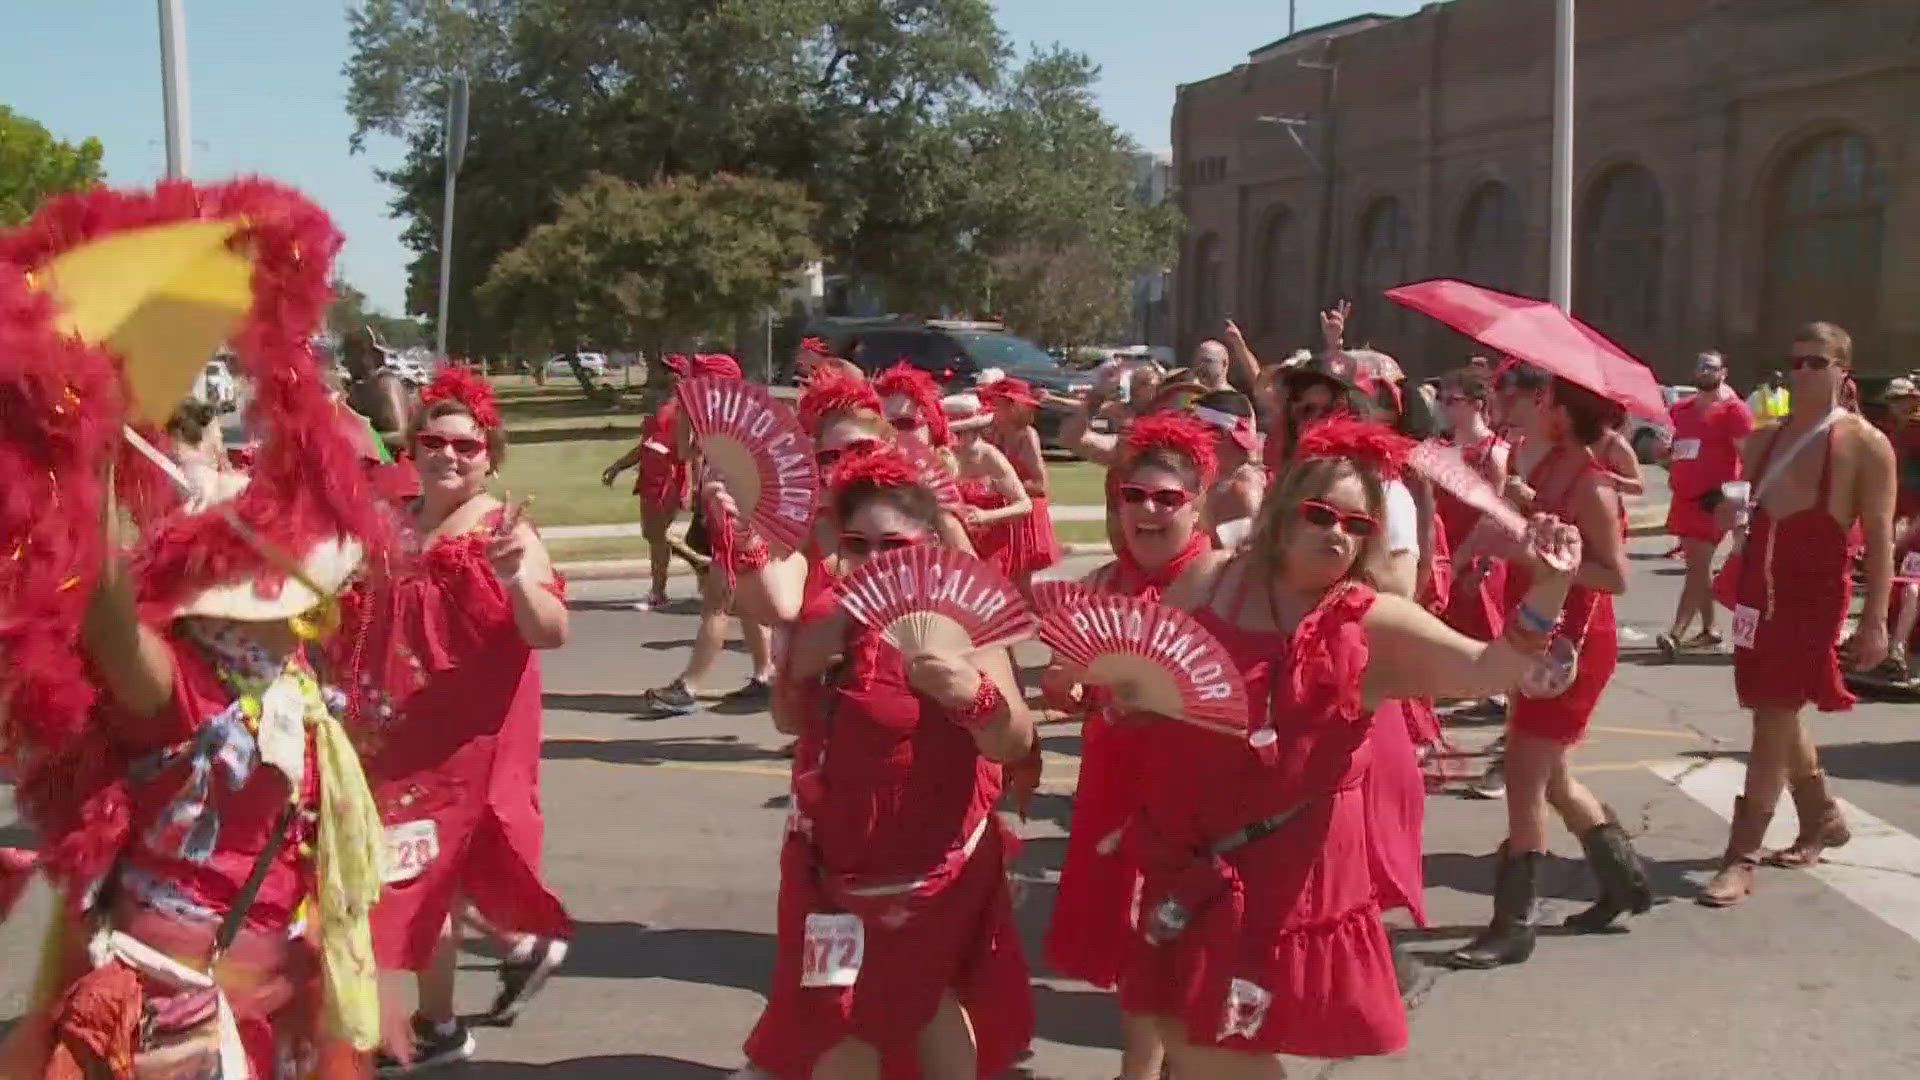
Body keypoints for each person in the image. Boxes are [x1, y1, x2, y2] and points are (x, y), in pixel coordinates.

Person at [0, 177, 388, 1079]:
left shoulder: (294, 682)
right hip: (175, 1007)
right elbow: (97, 592)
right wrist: (84, 437)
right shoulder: (175, 687)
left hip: (273, 999)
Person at [1115, 416, 1582, 1076]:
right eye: (1321, 515)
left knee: (1209, 1043)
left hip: (1278, 870)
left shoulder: (1368, 619)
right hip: (1184, 851)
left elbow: (1488, 669)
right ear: (1281, 516)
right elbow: (1153, 675)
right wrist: (1122, 696)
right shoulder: (1213, 580)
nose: (1338, 534)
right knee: (1182, 1027)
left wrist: (1551, 586)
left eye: (1357, 526)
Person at [733, 444, 1038, 1079]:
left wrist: (972, 698)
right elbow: (791, 723)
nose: (876, 563)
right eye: (859, 545)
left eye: (894, 547)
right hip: (831, 862)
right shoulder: (827, 615)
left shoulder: (964, 621)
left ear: (928, 542)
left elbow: (1014, 743)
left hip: (930, 872)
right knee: (854, 1013)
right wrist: (799, 676)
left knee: (876, 1019)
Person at [346, 369, 575, 1072]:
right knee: (414, 874)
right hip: (397, 729)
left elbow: (551, 631)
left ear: (489, 456)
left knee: (423, 874)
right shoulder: (398, 523)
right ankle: (489, 974)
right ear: (412, 449)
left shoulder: (501, 530)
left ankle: (439, 1023)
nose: (449, 455)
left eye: (466, 446)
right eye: (434, 441)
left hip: (463, 741)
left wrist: (513, 576)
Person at [1449, 364, 1654, 969]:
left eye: (1538, 395)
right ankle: (1624, 882)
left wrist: (1533, 552)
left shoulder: (1592, 481)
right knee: (1552, 772)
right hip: (1535, 635)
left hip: (1571, 645)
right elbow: (1542, 531)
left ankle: (1513, 922)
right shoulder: (1546, 466)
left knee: (1523, 772)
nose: (1525, 402)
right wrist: (1517, 512)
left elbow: (1613, 575)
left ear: (1561, 411)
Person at [1045, 414, 1221, 1080]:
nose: (1148, 510)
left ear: (1198, 502)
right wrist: (1072, 681)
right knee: (1134, 944)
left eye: (1167, 499)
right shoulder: (1097, 587)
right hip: (1114, 782)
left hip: (1192, 793)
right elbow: (1064, 691)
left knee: (1175, 942)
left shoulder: (1220, 582)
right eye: (1134, 496)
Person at [1699, 322, 1896, 907]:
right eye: (1795, 362)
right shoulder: (1765, 439)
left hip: (1812, 595)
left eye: (1816, 362)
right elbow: (1732, 507)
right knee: (1771, 707)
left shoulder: (1864, 443)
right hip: (1758, 591)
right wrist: (1727, 514)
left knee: (1772, 716)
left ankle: (1741, 856)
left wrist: (1875, 620)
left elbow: (1881, 540)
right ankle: (1821, 817)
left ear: (1843, 371)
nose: (1802, 372)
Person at [634, 354, 778, 716]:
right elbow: (688, 452)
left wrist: (686, 417)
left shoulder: (726, 421)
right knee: (746, 603)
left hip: (734, 516)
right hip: (737, 514)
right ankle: (767, 675)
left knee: (717, 602)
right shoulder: (741, 417)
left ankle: (690, 685)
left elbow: (684, 450)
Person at [1656, 352, 1754, 658]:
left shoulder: (1733, 410)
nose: (1704, 371)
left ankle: (1676, 632)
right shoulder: (1680, 410)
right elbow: (1672, 454)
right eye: (1700, 367)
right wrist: (1664, 455)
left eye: (1710, 367)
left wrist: (1737, 497)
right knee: (1696, 566)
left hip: (1715, 501)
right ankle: (1710, 629)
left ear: (1723, 372)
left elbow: (1748, 457)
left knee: (1697, 564)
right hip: (1683, 498)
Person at [602, 355, 693, 611]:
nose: (664, 375)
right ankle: (687, 571)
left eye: (670, 371)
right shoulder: (661, 404)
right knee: (653, 534)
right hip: (650, 477)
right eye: (664, 370)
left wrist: (690, 485)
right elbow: (646, 445)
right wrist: (619, 465)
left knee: (657, 535)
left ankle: (658, 591)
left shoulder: (684, 407)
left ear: (680, 376)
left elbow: (689, 449)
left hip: (669, 478)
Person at [979, 375, 1058, 593]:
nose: (990, 408)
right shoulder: (992, 433)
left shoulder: (1027, 435)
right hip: (1004, 514)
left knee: (1019, 585)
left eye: (996, 403)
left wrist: (1005, 486)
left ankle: (1030, 624)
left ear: (1012, 406)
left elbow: (1040, 484)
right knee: (998, 582)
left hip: (1024, 516)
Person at [1192, 390, 1266, 546]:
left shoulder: (1241, 493)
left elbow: (1232, 558)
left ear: (1219, 436)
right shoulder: (1211, 479)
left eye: (1196, 431)